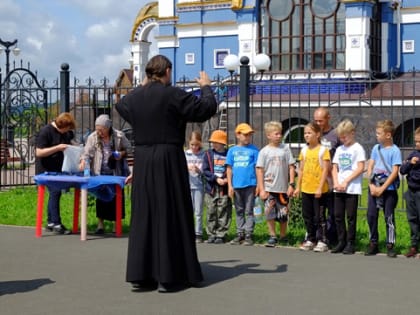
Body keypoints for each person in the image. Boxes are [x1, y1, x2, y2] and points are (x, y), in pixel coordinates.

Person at [115, 55, 217, 292]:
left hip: (142, 158)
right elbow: (205, 109)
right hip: (168, 157)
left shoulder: (137, 97)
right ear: (168, 71)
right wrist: (206, 87)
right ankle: (169, 276)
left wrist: (143, 86)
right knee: (171, 211)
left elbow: (122, 106)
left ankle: (142, 275)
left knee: (145, 214)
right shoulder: (173, 94)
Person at [79, 114, 131, 234]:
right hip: (99, 172)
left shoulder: (119, 136)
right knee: (101, 199)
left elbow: (129, 149)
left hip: (116, 172)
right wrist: (84, 163)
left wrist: (120, 154)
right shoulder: (93, 137)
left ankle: (116, 225)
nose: (99, 132)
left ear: (108, 128)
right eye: (97, 130)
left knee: (117, 197)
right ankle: (100, 225)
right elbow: (86, 153)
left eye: (102, 130)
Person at [365, 120, 402, 258]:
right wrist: (371, 185)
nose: (376, 135)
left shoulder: (395, 150)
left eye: (379, 133)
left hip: (389, 189)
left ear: (388, 135)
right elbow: (370, 166)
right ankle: (373, 242)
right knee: (371, 215)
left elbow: (394, 172)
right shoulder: (376, 148)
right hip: (374, 187)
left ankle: (390, 244)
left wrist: (383, 189)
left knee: (389, 217)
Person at [35, 112, 76, 235]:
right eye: (67, 128)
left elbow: (70, 143)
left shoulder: (67, 133)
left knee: (55, 194)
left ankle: (50, 222)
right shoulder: (46, 132)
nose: (67, 132)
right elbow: (39, 152)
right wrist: (57, 148)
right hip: (46, 170)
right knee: (55, 191)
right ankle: (57, 223)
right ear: (61, 125)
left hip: (59, 169)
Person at [256, 121, 296, 247]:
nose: (279, 136)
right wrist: (261, 189)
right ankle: (272, 235)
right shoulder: (264, 152)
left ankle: (283, 235)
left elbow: (291, 167)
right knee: (270, 213)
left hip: (283, 189)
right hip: (269, 188)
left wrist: (291, 184)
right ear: (269, 135)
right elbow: (260, 170)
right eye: (276, 134)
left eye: (280, 133)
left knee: (283, 213)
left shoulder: (285, 149)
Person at [293, 122, 330, 252]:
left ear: (318, 134)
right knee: (307, 215)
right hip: (306, 188)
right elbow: (301, 169)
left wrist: (320, 187)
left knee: (319, 216)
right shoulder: (304, 150)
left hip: (318, 190)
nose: (306, 135)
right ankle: (311, 238)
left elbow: (325, 170)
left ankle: (322, 240)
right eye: (305, 133)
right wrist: (298, 186)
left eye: (309, 133)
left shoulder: (323, 150)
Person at [331, 119, 366, 254]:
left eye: (344, 136)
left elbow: (360, 167)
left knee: (350, 216)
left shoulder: (358, 148)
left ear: (352, 133)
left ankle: (351, 242)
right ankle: (341, 241)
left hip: (351, 188)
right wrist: (336, 182)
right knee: (338, 215)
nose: (342, 139)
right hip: (339, 187)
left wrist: (346, 181)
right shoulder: (340, 149)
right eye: (340, 137)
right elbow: (335, 167)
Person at [226, 123, 259, 246]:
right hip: (236, 185)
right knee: (239, 210)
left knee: (249, 210)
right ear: (238, 135)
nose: (247, 137)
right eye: (245, 135)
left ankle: (248, 234)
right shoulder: (232, 150)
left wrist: (259, 185)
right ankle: (240, 233)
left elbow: (257, 168)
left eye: (249, 135)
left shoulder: (254, 150)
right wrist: (230, 185)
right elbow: (229, 169)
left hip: (250, 184)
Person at [313, 107, 341, 245]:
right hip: (316, 179)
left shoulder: (335, 134)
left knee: (333, 211)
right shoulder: (313, 134)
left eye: (321, 121)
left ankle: (332, 237)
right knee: (318, 211)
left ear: (328, 118)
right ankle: (318, 236)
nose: (318, 123)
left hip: (331, 178)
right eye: (316, 121)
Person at [202, 129, 232, 244]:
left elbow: (230, 169)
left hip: (224, 187)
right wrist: (215, 178)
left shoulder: (228, 154)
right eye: (212, 142)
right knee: (211, 210)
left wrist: (226, 179)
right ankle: (211, 233)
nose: (213, 144)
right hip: (211, 187)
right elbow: (205, 170)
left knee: (223, 210)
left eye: (216, 142)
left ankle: (221, 234)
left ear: (222, 143)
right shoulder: (208, 154)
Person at [400, 127, 420, 258]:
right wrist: (410, 164)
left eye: (419, 141)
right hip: (411, 191)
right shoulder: (413, 154)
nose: (417, 144)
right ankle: (414, 245)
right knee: (412, 219)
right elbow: (402, 170)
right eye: (416, 141)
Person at [185, 131, 206, 243]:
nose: (194, 147)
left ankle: (198, 233)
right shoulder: (185, 154)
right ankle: (188, 232)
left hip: (198, 185)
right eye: (192, 144)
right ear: (189, 143)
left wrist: (199, 170)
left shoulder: (203, 154)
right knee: (188, 210)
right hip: (188, 184)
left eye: (196, 144)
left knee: (198, 211)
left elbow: (205, 170)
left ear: (200, 144)